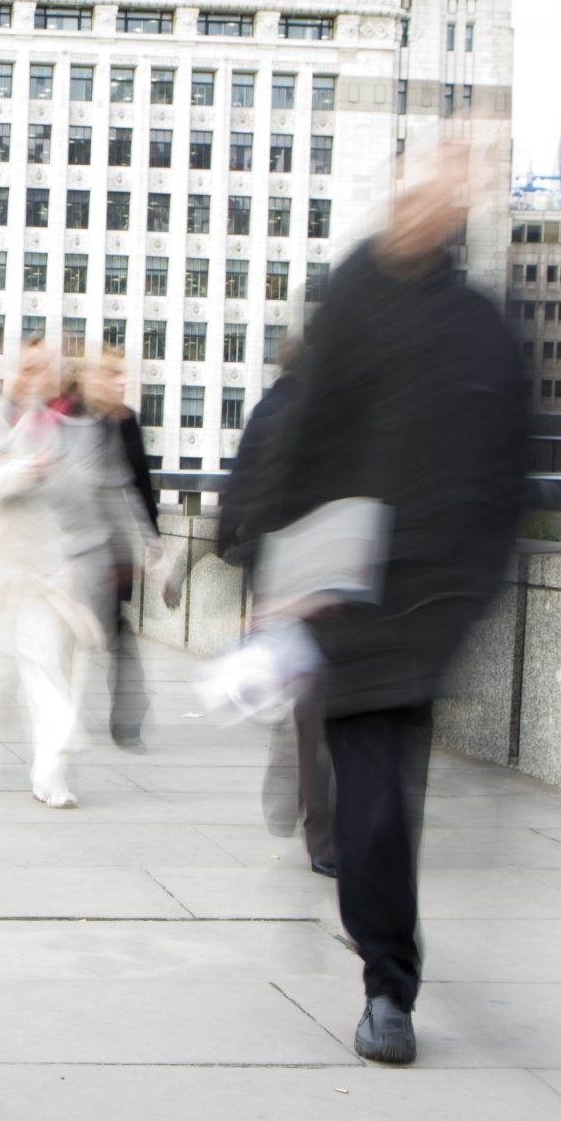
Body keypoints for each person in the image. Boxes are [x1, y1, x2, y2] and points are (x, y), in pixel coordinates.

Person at [265, 143, 528, 1065]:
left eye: (449, 195)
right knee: (372, 805)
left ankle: (388, 980)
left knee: (386, 803)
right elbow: (303, 429)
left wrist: (471, 589)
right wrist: (277, 565)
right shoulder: (348, 298)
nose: (429, 208)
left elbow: (508, 468)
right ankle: (389, 983)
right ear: (395, 196)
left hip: (432, 599)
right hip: (346, 597)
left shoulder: (481, 326)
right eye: (416, 190)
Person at [0, 338, 112, 807]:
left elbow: (81, 493)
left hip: (43, 570)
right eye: (29, 367)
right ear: (13, 371)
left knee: (45, 668)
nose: (36, 376)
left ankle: (51, 773)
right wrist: (19, 471)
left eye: (45, 369)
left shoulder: (60, 426)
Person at [218, 339, 336, 875]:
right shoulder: (331, 412)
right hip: (319, 569)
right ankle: (321, 830)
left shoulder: (268, 408)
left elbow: (242, 483)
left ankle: (290, 773)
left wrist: (226, 540)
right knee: (315, 697)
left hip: (273, 565)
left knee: (299, 689)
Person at [76, 347, 160, 750]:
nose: (119, 383)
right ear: (91, 380)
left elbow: (138, 482)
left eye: (121, 376)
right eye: (111, 375)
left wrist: (151, 537)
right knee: (73, 636)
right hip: (73, 549)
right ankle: (63, 713)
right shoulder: (70, 417)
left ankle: (128, 719)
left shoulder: (125, 422)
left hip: (112, 550)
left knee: (119, 635)